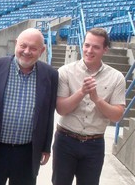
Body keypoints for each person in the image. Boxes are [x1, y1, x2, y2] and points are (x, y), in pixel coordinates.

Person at [52, 27, 126, 185]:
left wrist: (97, 99)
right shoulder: (65, 71)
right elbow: (61, 109)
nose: (89, 50)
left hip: (94, 143)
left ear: (105, 49)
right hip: (65, 140)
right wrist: (81, 92)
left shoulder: (116, 77)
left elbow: (117, 115)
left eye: (96, 47)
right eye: (87, 45)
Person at [0, 28, 58, 185]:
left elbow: (48, 113)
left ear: (42, 50)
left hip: (27, 152)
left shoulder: (50, 75)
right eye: (23, 46)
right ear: (16, 44)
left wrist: (45, 146)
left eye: (33, 48)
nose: (27, 51)